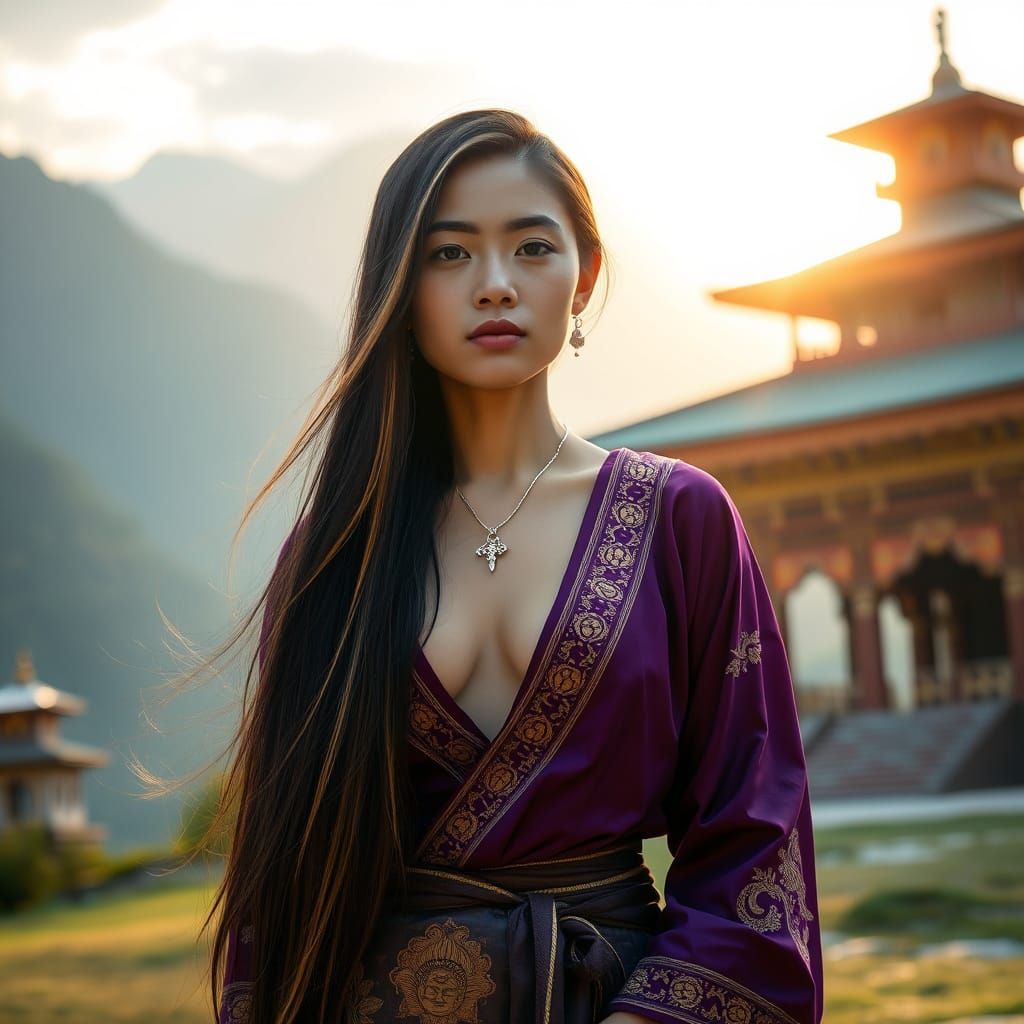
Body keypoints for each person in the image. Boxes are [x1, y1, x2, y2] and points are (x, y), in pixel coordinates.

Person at [209, 108, 823, 1024]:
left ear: (585, 278)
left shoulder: (678, 518)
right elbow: (280, 876)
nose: (495, 285)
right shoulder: (334, 554)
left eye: (532, 248)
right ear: (398, 290)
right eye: (449, 254)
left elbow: (753, 832)